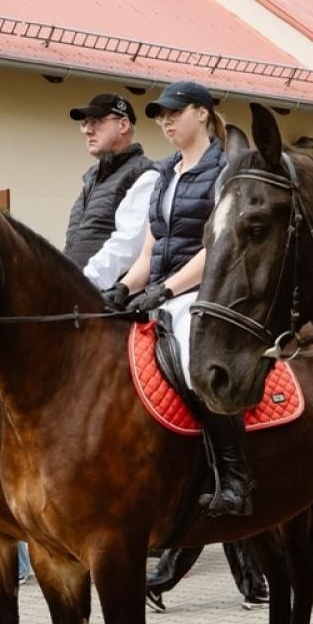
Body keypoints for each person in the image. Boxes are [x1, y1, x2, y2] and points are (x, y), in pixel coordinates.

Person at [102, 80, 256, 520]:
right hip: (160, 293)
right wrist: (124, 288)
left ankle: (236, 477)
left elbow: (218, 247)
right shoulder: (165, 173)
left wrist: (166, 289)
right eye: (161, 116)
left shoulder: (224, 170)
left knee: (195, 360)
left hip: (205, 294)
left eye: (175, 113)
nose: (166, 122)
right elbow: (150, 252)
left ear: (202, 113)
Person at [63, 93, 155, 282]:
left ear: (123, 125)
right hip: (75, 290)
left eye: (96, 122)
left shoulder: (144, 174)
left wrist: (82, 283)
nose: (88, 130)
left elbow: (128, 246)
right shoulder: (91, 179)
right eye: (85, 123)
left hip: (107, 295)